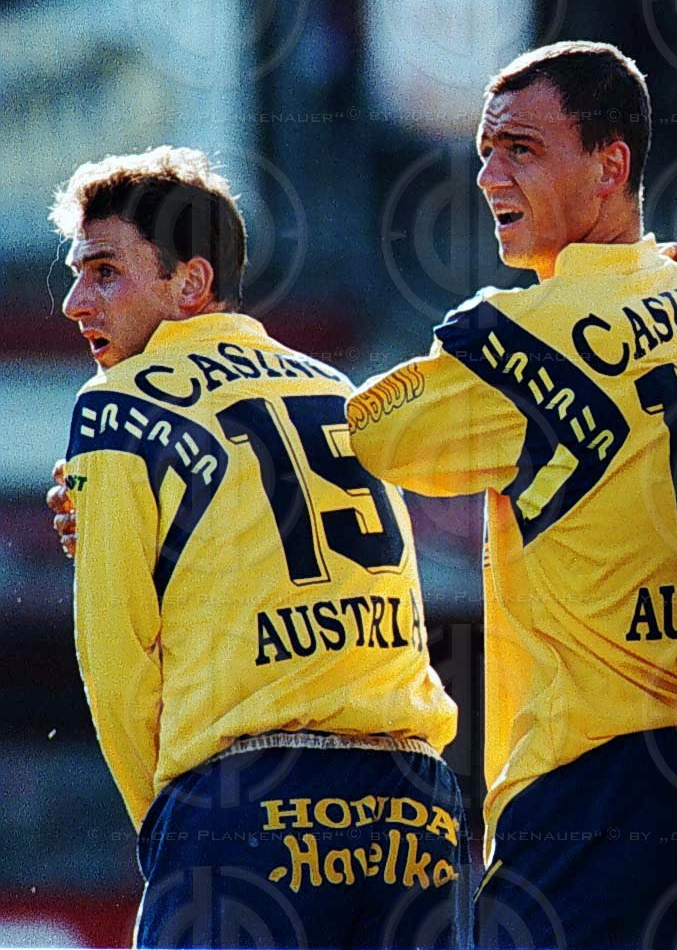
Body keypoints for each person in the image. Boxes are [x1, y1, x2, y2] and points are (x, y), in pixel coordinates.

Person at [344, 41, 677, 950]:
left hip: (586, 791)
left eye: (521, 149)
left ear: (611, 165)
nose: (489, 174)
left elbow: (370, 430)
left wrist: (483, 324)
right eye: (486, 150)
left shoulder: (523, 330)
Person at [49, 146, 465, 949]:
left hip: (245, 803)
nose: (74, 303)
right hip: (413, 804)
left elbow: (115, 657)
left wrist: (166, 822)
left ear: (191, 283)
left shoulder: (115, 404)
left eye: (104, 272)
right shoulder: (340, 390)